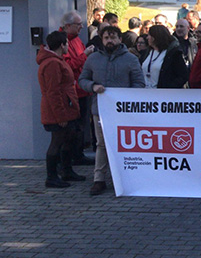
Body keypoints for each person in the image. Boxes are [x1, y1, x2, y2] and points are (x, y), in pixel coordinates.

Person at [78, 26, 145, 195]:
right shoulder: (93, 59)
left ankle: (124, 178)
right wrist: (93, 86)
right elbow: (82, 79)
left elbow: (139, 83)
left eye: (113, 37)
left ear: (120, 39)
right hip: (100, 109)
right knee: (101, 144)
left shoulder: (130, 59)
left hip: (123, 111)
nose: (110, 40)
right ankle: (99, 179)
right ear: (101, 39)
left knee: (124, 144)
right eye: (106, 37)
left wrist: (127, 97)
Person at [37, 31, 85, 188]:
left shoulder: (56, 61)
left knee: (68, 138)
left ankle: (66, 171)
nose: (68, 46)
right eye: (66, 43)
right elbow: (54, 92)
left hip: (65, 108)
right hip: (58, 111)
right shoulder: (52, 63)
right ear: (61, 45)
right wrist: (60, 116)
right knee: (57, 141)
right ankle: (51, 177)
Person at [60, 11, 95, 166]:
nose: (82, 27)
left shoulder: (76, 39)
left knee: (81, 124)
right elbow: (69, 66)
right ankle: (70, 158)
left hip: (81, 89)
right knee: (73, 126)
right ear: (68, 26)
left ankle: (78, 154)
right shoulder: (62, 41)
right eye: (78, 24)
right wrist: (85, 54)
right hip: (73, 92)